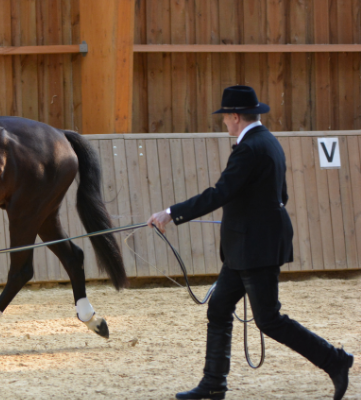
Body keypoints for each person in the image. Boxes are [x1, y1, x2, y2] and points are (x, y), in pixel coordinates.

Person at [147, 85, 354, 400]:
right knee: (218, 308)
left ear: (234, 116)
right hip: (246, 247)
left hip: (254, 248)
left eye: (225, 118)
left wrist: (170, 213)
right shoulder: (268, 142)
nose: (225, 124)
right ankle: (214, 383)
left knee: (269, 319)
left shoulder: (249, 148)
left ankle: (334, 360)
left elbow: (220, 193)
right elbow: (278, 195)